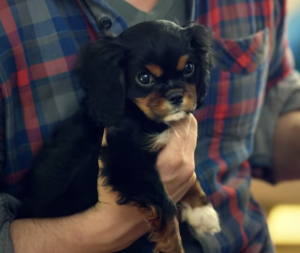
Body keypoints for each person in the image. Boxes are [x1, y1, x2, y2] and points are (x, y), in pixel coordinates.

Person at [0, 0, 300, 252]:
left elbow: (276, 113)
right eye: (145, 79)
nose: (175, 92)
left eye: (189, 71)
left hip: (246, 240)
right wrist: (102, 229)